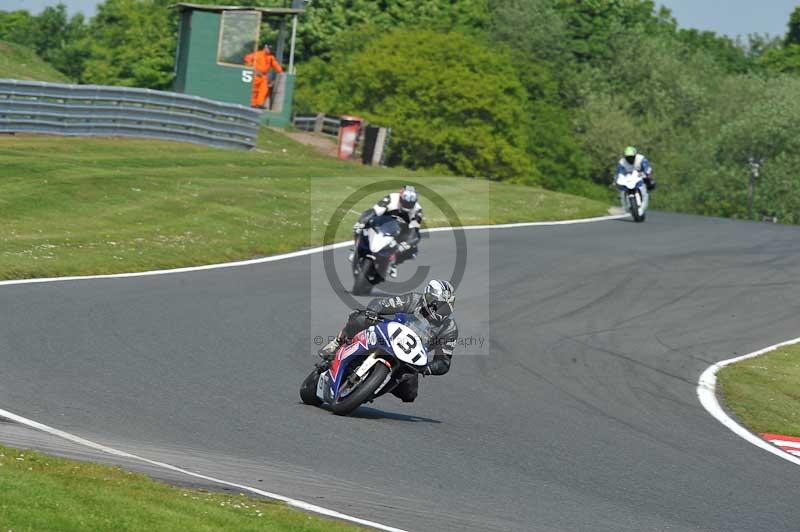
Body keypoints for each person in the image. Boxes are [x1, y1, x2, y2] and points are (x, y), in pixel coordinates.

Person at [317, 279, 458, 402]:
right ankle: (337, 343)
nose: (443, 311)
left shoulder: (449, 328)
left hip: (408, 358)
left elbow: (444, 362)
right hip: (387, 336)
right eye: (440, 306)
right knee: (359, 319)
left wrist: (426, 368)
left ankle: (374, 386)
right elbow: (383, 303)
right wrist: (374, 311)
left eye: (447, 307)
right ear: (429, 298)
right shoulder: (414, 300)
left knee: (410, 394)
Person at [351, 185, 422, 278]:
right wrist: (361, 222)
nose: (406, 207)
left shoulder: (417, 210)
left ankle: (394, 263)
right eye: (404, 204)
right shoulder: (391, 198)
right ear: (400, 197)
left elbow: (414, 232)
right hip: (382, 224)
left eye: (409, 205)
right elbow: (373, 211)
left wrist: (404, 245)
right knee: (359, 227)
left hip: (401, 231)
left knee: (413, 248)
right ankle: (356, 248)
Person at [244, 44, 283, 109]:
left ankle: (259, 104)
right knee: (254, 90)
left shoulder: (271, 57)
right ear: (265, 48)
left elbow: (276, 65)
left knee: (264, 90)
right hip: (256, 74)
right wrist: (252, 68)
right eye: (268, 48)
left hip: (263, 76)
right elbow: (247, 58)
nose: (269, 50)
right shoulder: (258, 54)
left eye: (270, 49)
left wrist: (280, 71)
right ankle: (252, 104)